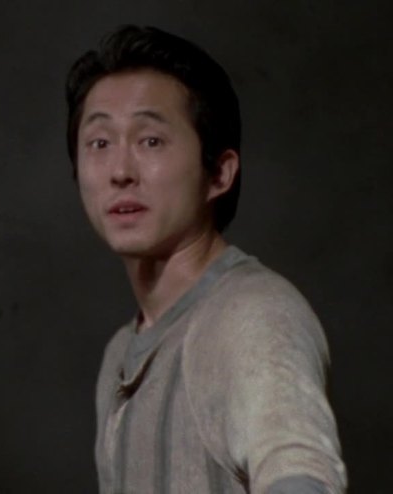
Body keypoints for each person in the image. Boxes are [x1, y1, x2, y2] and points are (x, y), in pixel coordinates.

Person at [66, 25, 347, 493]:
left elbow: (303, 476)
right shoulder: (120, 352)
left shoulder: (252, 315)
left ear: (219, 172)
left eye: (150, 141)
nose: (120, 171)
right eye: (100, 143)